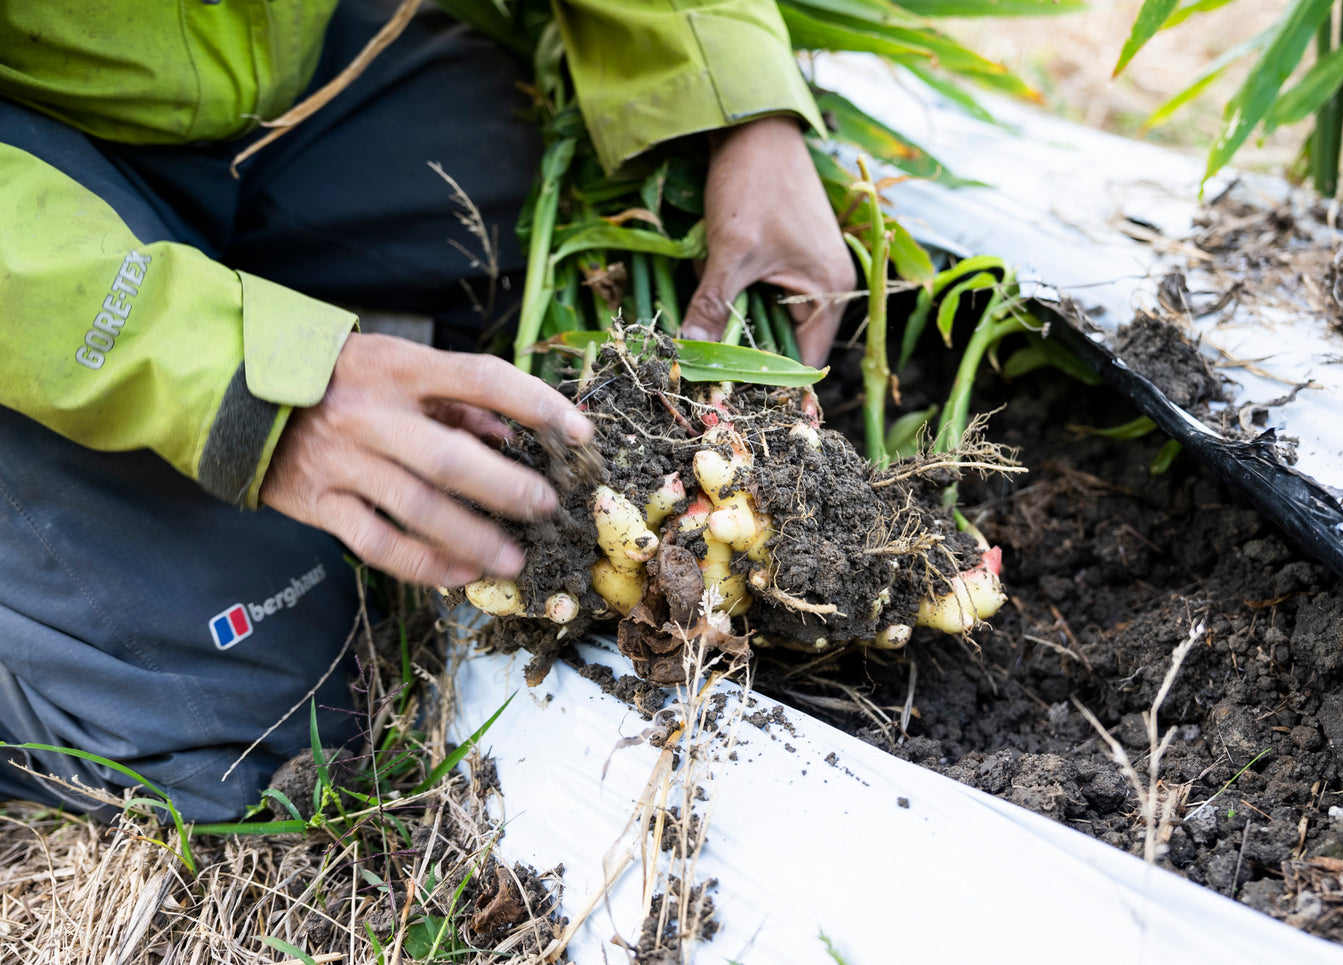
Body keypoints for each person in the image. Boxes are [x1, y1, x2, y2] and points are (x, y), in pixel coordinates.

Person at [0, 0, 852, 820]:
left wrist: (735, 96)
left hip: (259, 58)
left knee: (599, 176)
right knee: (254, 734)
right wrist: (235, 376)